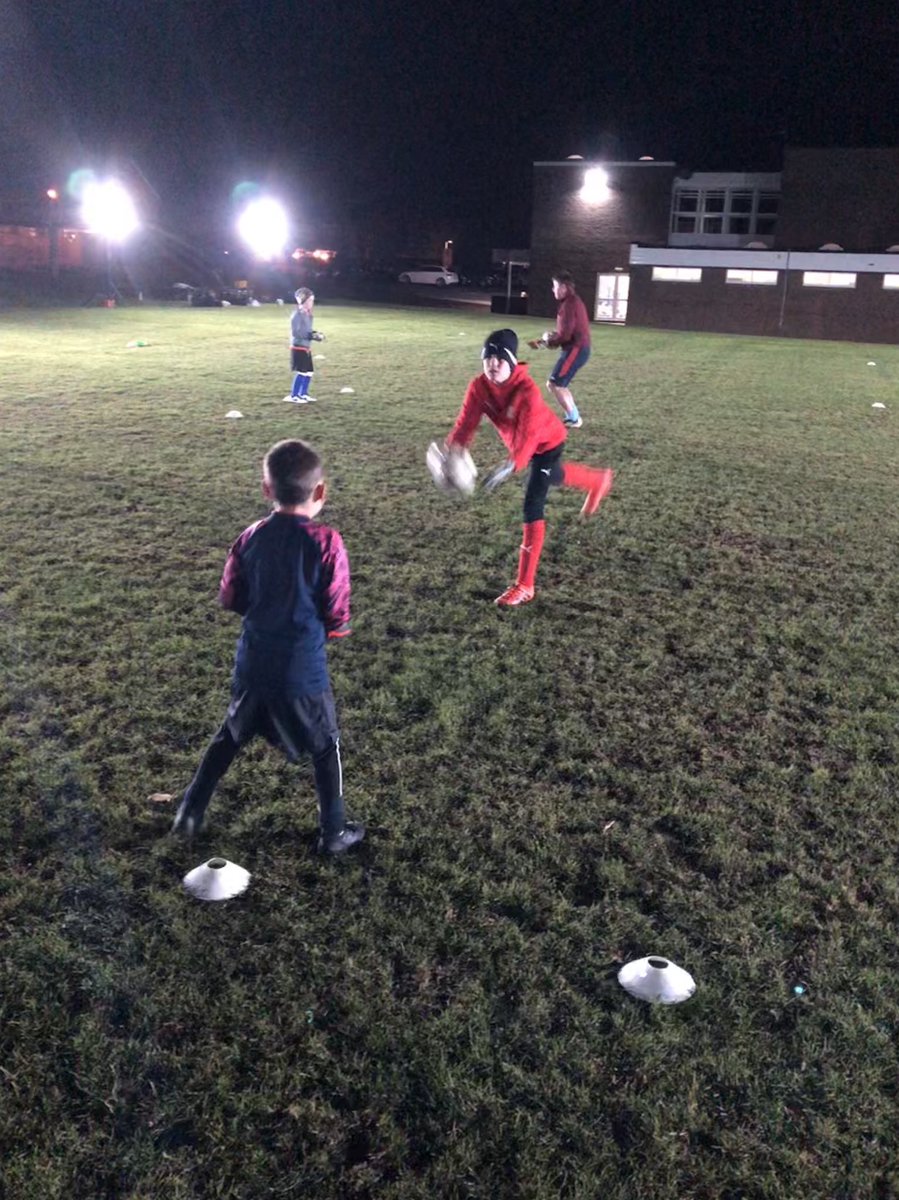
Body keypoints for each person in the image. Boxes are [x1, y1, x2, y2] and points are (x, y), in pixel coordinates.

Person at [172, 438, 364, 854]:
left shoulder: (250, 537)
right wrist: (333, 628)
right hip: (301, 672)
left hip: (254, 664)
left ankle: (189, 812)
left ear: (266, 489)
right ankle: (334, 833)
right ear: (321, 491)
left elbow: (231, 597)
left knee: (229, 736)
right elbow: (337, 609)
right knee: (325, 745)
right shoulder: (327, 542)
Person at [445, 329, 614, 607]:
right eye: (488, 358)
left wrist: (511, 465)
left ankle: (525, 585)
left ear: (512, 362)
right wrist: (455, 449)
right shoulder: (479, 386)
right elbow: (466, 422)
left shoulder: (526, 391)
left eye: (500, 358)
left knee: (532, 503)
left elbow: (529, 436)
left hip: (547, 442)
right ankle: (597, 481)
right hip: (524, 448)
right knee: (552, 476)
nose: (493, 364)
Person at [528, 270, 591, 428]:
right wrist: (549, 339)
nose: (552, 289)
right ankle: (573, 417)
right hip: (578, 348)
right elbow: (566, 332)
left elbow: (565, 335)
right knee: (559, 384)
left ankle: (574, 418)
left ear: (563, 287)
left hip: (575, 349)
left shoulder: (569, 305)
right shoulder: (573, 301)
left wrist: (549, 341)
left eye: (554, 286)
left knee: (554, 384)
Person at [283, 288, 325, 404]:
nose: (312, 303)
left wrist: (316, 334)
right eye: (310, 300)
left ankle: (303, 394)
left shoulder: (308, 315)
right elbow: (296, 332)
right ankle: (294, 395)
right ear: (303, 300)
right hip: (298, 346)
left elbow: (308, 330)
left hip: (306, 347)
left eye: (312, 300)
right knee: (301, 372)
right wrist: (311, 336)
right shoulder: (297, 314)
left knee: (309, 372)